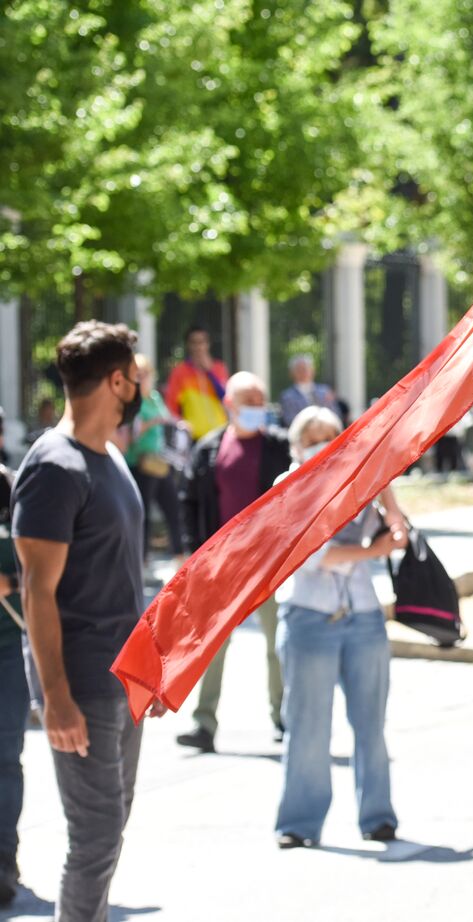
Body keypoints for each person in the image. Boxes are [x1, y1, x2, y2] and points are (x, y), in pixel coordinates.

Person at [11, 321, 168, 922]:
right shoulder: (55, 466)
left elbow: (124, 579)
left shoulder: (113, 459)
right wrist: (55, 698)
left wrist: (148, 666)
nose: (140, 389)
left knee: (110, 831)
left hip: (122, 678)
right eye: (136, 378)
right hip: (80, 684)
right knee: (96, 838)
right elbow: (37, 592)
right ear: (116, 380)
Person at [273, 407, 406, 849]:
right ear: (296, 445)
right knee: (307, 726)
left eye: (330, 435)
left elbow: (396, 529)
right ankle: (299, 823)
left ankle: (378, 817)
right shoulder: (288, 487)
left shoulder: (362, 483)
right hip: (309, 616)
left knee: (371, 723)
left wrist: (388, 499)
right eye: (311, 436)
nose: (321, 442)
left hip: (362, 615)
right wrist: (374, 553)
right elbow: (312, 557)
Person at [176, 371, 290, 752]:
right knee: (212, 646)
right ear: (229, 405)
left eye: (261, 401)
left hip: (269, 565)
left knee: (278, 643)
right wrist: (194, 554)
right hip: (220, 568)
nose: (257, 409)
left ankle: (284, 717)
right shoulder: (208, 450)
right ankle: (204, 724)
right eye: (250, 402)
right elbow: (189, 503)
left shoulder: (279, 447)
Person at [123, 354, 186, 561]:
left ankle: (179, 558)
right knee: (143, 515)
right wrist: (153, 423)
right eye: (137, 375)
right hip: (140, 465)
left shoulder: (156, 398)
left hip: (159, 463)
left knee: (173, 509)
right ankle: (142, 561)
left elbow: (168, 419)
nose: (142, 379)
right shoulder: (132, 401)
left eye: (145, 374)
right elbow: (131, 435)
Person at [0, 447, 23, 908]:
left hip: (9, 654)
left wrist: (13, 582)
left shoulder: (15, 483)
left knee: (4, 757)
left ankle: (3, 861)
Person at [165, 325, 230, 440]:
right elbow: (171, 406)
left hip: (219, 433)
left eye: (201, 342)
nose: (198, 347)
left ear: (208, 344)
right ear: (188, 345)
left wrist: (209, 372)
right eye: (194, 342)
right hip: (193, 437)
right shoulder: (180, 372)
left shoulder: (219, 368)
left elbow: (225, 397)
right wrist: (181, 424)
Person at [277, 354, 338, 427]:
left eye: (306, 368)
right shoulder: (286, 396)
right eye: (299, 369)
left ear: (313, 370)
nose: (303, 372)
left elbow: (335, 415)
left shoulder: (325, 391)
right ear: (291, 373)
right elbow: (290, 420)